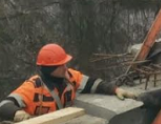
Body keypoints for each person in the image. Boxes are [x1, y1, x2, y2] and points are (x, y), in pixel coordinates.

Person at [0, 44, 136, 122]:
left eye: (65, 64)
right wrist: (19, 114)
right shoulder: (33, 87)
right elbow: (4, 105)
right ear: (50, 69)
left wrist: (115, 89)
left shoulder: (69, 76)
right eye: (61, 65)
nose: (65, 67)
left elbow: (92, 83)